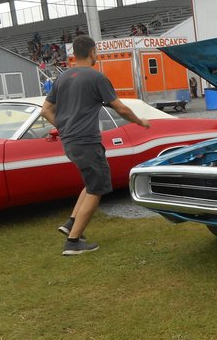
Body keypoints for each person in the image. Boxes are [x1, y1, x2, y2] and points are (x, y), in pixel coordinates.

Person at [41, 35, 151, 256]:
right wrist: (140, 121)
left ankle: (72, 223)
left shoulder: (62, 78)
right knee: (98, 187)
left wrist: (64, 128)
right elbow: (121, 109)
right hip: (86, 141)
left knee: (91, 182)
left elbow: (45, 110)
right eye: (96, 52)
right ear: (92, 53)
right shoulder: (96, 77)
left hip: (70, 141)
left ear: (74, 54)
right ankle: (73, 243)